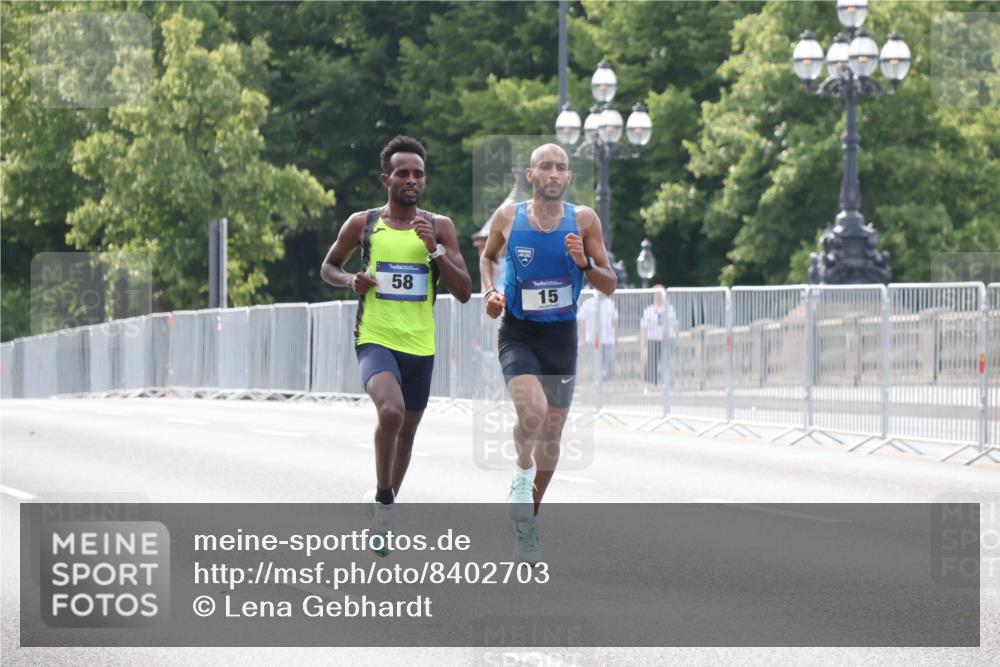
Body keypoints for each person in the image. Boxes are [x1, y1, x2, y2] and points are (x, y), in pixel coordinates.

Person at [321, 135, 471, 555]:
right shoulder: (363, 224)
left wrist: (435, 250)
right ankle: (384, 497)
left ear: (424, 181)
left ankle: (384, 511)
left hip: (420, 344)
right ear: (386, 178)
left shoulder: (440, 227)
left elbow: (463, 290)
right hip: (375, 336)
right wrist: (352, 280)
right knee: (390, 411)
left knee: (407, 432)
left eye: (418, 174)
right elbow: (329, 266)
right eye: (402, 173)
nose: (411, 180)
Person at [479, 143, 617, 564]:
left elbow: (609, 283)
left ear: (569, 177)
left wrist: (585, 263)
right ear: (531, 174)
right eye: (546, 167)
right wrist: (491, 291)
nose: (553, 173)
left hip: (561, 337)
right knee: (532, 413)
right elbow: (487, 258)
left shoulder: (584, 220)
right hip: (519, 333)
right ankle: (521, 475)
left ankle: (528, 526)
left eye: (561, 167)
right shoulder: (509, 217)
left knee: (553, 435)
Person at [640, 286, 676, 393]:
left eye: (660, 295)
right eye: (656, 295)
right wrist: (644, 340)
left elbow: (674, 324)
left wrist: (673, 336)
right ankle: (651, 384)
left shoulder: (669, 309)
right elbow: (644, 327)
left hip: (667, 339)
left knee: (667, 361)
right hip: (653, 339)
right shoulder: (649, 310)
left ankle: (667, 382)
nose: (658, 297)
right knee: (652, 362)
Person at [579, 293, 618, 383]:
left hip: (608, 339)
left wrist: (616, 337)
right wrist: (583, 337)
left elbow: (615, 321)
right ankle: (596, 381)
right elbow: (582, 321)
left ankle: (607, 381)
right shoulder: (587, 303)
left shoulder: (610, 303)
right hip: (592, 339)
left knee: (608, 361)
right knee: (594, 361)